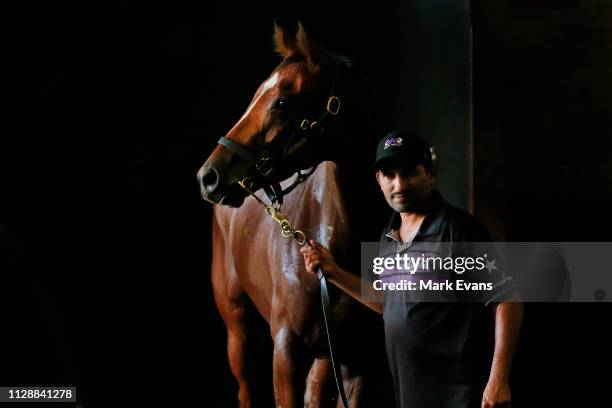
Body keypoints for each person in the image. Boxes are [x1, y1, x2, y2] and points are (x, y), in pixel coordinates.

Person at [300, 130, 524, 408]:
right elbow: (387, 300)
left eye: (409, 173)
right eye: (389, 175)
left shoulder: (457, 230)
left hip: (461, 393)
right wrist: (332, 272)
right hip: (410, 391)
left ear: (431, 174)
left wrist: (498, 379)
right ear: (378, 180)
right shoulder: (388, 235)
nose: (399, 185)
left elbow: (507, 300)